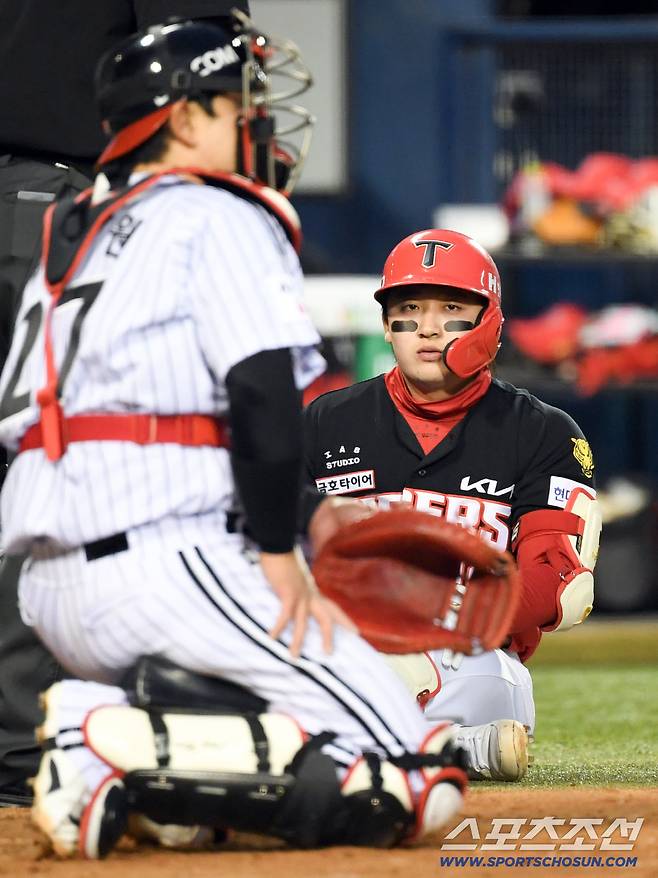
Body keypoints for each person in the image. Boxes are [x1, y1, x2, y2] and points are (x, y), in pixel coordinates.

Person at [0, 17, 469, 858]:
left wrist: (314, 510)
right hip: (164, 570)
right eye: (234, 102)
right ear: (182, 119)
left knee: (278, 729)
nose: (255, 119)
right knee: (418, 778)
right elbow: (258, 399)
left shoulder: (71, 232)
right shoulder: (217, 211)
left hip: (47, 593)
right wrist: (283, 553)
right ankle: (108, 742)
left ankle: (133, 749)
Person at [0, 0, 250, 807]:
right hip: (62, 197)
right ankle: (30, 756)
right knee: (58, 465)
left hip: (28, 195)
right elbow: (193, 51)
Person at [303, 228, 602, 781]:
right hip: (346, 643)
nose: (428, 328)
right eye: (409, 308)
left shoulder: (543, 432)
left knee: (484, 683)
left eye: (451, 309)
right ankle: (449, 751)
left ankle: (364, 748)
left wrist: (438, 607)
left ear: (488, 321)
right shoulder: (326, 421)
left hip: (471, 655)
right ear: (387, 322)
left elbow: (560, 581)